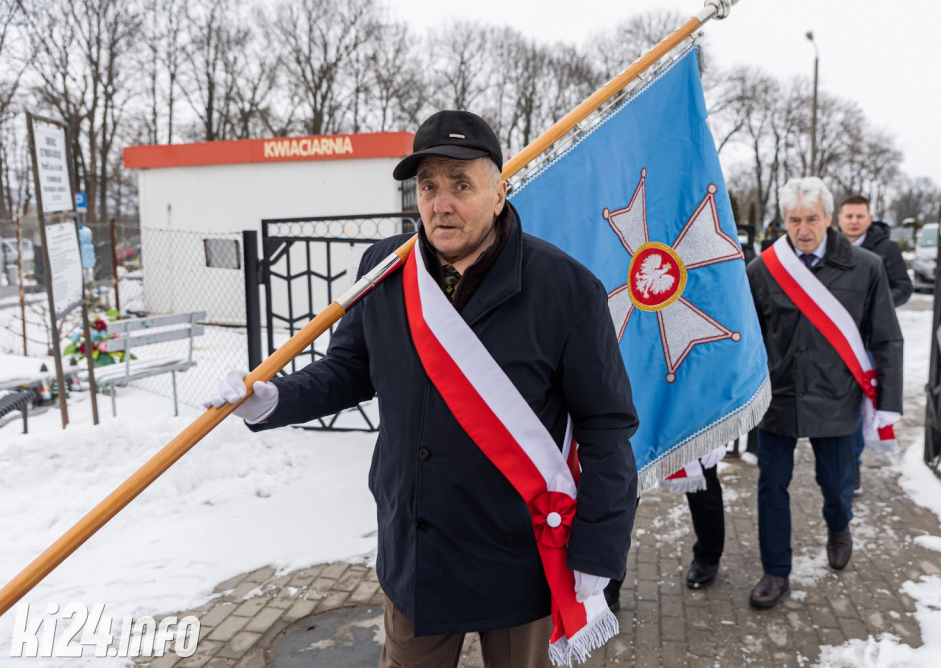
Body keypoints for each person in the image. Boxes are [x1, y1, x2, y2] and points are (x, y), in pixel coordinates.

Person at [205, 110, 639, 668]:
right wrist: (274, 398)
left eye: (462, 184)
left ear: (500, 191)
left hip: (518, 559)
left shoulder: (567, 290)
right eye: (428, 185)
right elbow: (348, 369)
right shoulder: (384, 270)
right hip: (418, 552)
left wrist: (600, 548)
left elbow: (607, 428)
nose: (441, 203)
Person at [745, 177, 903, 609]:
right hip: (779, 397)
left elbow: (887, 338)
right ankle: (775, 572)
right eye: (794, 220)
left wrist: (888, 403)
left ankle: (839, 526)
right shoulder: (763, 268)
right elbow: (748, 338)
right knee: (770, 486)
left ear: (829, 218)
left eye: (812, 218)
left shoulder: (866, 267)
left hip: (837, 397)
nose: (803, 229)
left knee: (836, 485)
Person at [836, 194, 912, 491]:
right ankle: (834, 463)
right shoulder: (827, 247)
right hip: (831, 339)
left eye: (859, 216)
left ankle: (852, 467)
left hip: (866, 343)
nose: (854, 221)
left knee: (857, 405)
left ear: (869, 218)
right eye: (849, 216)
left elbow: (904, 288)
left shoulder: (886, 249)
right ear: (838, 219)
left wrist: (877, 304)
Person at [604, 446, 727, 611]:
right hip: (636, 424)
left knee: (703, 487)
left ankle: (708, 557)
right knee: (620, 495)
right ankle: (608, 580)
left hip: (685, 421)